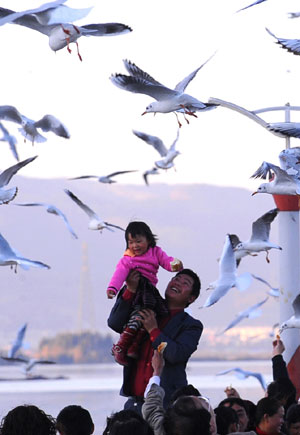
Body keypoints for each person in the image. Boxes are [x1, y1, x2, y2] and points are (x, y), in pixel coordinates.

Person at [107, 267, 203, 412]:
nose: (177, 283)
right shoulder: (148, 305)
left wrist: (153, 331)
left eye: (185, 283)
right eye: (176, 279)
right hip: (134, 403)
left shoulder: (191, 325)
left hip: (168, 405)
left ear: (191, 298)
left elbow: (176, 354)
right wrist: (131, 290)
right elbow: (115, 323)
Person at [107, 221, 183, 366]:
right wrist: (113, 288)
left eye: (138, 241)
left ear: (148, 240)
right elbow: (119, 274)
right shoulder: (127, 259)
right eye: (131, 242)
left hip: (149, 292)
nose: (135, 245)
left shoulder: (156, 252)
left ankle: (134, 346)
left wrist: (175, 265)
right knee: (137, 317)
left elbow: (166, 262)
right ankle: (121, 346)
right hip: (135, 292)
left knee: (151, 316)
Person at [142, 350, 216, 435]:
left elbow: (151, 408)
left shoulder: (162, 431)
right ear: (210, 428)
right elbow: (151, 409)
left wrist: (157, 371)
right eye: (205, 403)